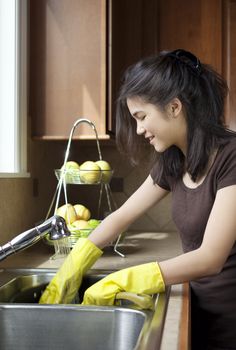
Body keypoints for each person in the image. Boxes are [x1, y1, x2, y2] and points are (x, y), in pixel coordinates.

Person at [40, 49, 236, 350]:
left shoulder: (231, 158)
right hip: (199, 313)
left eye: (141, 117)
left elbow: (211, 258)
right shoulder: (173, 162)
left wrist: (128, 278)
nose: (139, 129)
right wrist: (76, 261)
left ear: (174, 107)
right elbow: (121, 216)